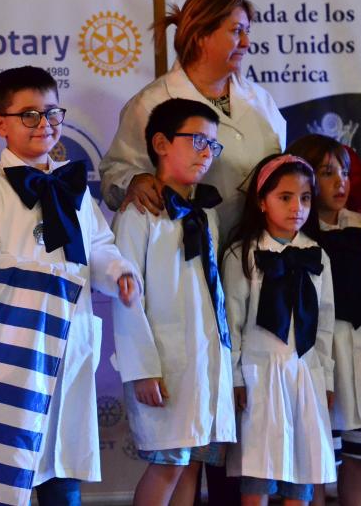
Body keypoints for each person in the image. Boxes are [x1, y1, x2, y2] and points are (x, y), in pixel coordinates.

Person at [0, 66, 139, 505]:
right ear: (0, 124)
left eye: (52, 113)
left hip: (70, 340)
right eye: (29, 115)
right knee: (13, 462)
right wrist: (33, 278)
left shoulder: (74, 188)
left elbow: (98, 244)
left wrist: (118, 273)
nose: (44, 125)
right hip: (15, 346)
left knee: (63, 460)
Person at [111, 98, 235, 505]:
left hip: (203, 362)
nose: (206, 152)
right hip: (164, 364)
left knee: (190, 464)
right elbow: (125, 297)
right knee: (168, 463)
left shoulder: (207, 214)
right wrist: (142, 369)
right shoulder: (138, 214)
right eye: (198, 139)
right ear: (161, 143)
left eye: (213, 145)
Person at [100, 0, 286, 244]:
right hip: (184, 254)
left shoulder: (262, 100)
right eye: (236, 32)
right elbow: (114, 173)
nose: (246, 43)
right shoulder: (151, 102)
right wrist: (136, 180)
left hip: (254, 256)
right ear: (201, 36)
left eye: (247, 32)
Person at [222, 154, 336, 505]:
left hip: (304, 374)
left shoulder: (316, 254)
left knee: (301, 470)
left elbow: (325, 325)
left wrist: (327, 379)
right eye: (284, 197)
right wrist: (237, 379)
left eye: (304, 198)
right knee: (260, 467)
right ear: (261, 201)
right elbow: (232, 323)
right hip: (260, 375)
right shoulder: (242, 254)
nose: (296, 207)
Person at [287, 135, 361, 506]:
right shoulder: (298, 234)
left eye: (343, 172)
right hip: (320, 361)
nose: (340, 181)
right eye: (327, 173)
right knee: (321, 456)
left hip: (360, 357)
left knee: (357, 458)